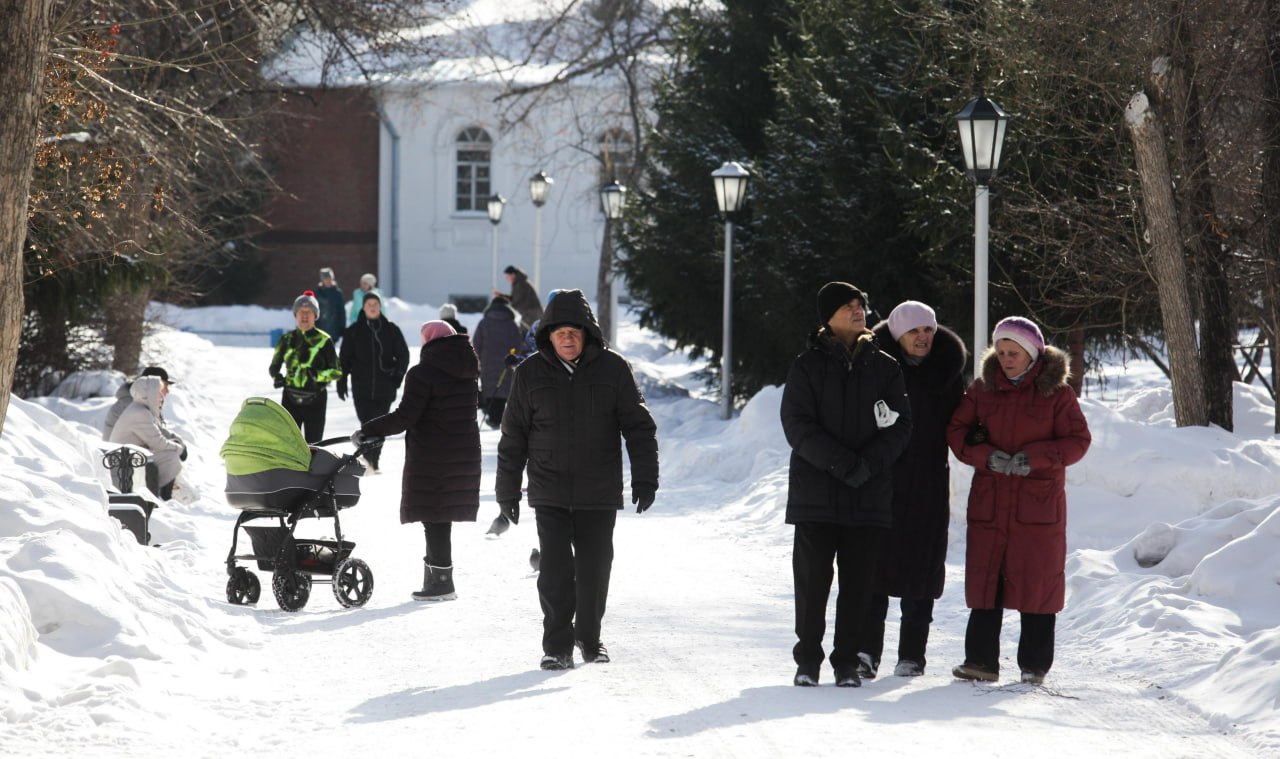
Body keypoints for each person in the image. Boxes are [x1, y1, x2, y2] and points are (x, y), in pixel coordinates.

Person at [495, 288, 658, 671]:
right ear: (548, 335)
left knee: (594, 568)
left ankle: (589, 638)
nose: (568, 338)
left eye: (575, 331)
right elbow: (513, 436)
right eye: (560, 331)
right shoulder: (530, 373)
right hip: (549, 489)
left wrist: (645, 478)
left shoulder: (613, 369)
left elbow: (638, 426)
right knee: (554, 571)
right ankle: (556, 646)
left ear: (587, 333)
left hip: (598, 490)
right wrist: (506, 492)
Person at [779, 281, 912, 688]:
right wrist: (842, 464)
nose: (859, 311)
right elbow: (797, 426)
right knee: (812, 583)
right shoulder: (806, 366)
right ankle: (808, 661)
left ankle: (846, 662)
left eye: (861, 304)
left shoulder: (886, 366)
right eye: (849, 306)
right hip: (816, 495)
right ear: (829, 316)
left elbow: (901, 425)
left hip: (867, 494)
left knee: (859, 586)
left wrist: (867, 466)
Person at [946, 316, 1091, 685]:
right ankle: (980, 661)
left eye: (1014, 352)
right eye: (1002, 351)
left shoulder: (1057, 393)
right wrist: (986, 456)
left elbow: (1078, 441)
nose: (1007, 358)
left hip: (1037, 506)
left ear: (1032, 354)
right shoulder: (983, 389)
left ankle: (1034, 665)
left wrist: (1035, 458)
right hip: (991, 502)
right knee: (986, 582)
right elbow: (957, 430)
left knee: (1038, 584)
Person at [855, 301, 966, 679]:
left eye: (928, 331)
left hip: (930, 482)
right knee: (875, 567)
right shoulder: (874, 367)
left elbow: (962, 424)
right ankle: (866, 651)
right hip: (882, 480)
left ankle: (912, 655)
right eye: (914, 331)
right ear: (898, 335)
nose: (922, 338)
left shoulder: (948, 373)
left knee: (923, 568)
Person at [354, 320, 481, 601]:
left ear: (428, 342)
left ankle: (442, 583)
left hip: (433, 453)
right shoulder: (468, 370)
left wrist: (368, 429)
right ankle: (437, 577)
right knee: (439, 516)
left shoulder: (423, 373)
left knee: (434, 515)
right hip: (462, 451)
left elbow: (405, 416)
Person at [337, 291, 410, 473]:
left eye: (375, 304)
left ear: (380, 307)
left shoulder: (391, 330)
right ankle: (369, 460)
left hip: (385, 388)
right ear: (363, 307)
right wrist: (341, 380)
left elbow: (403, 355)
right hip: (361, 388)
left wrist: (397, 377)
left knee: (380, 426)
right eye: (369, 304)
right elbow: (344, 358)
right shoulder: (354, 331)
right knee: (367, 423)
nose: (372, 307)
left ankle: (372, 461)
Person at [269, 291, 343, 444]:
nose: (304, 316)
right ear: (295, 315)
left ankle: (313, 469)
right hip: (290, 398)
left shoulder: (324, 340)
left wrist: (317, 376)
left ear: (315, 316)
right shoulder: (286, 340)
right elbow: (274, 367)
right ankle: (289, 469)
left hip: (315, 399)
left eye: (309, 312)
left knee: (314, 446)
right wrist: (277, 377)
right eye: (301, 312)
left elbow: (337, 371)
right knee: (289, 445)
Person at [107, 375, 185, 500]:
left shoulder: (139, 409)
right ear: (148, 394)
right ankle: (164, 498)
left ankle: (162, 496)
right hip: (122, 464)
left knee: (168, 454)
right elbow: (158, 443)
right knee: (170, 457)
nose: (162, 397)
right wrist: (179, 448)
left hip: (127, 457)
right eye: (159, 393)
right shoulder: (140, 413)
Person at [471, 295, 525, 429]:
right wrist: (514, 357)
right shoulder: (512, 324)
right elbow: (518, 344)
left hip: (487, 361)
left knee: (490, 387)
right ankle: (497, 417)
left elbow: (476, 343)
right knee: (503, 387)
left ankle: (493, 416)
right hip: (506, 362)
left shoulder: (484, 322)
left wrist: (479, 357)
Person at [103, 366, 177, 441]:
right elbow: (151, 433)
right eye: (165, 386)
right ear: (153, 385)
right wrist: (175, 442)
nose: (167, 391)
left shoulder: (141, 401)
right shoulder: (131, 404)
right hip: (118, 450)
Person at [493, 265, 543, 332]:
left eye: (507, 276)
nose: (506, 279)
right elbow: (515, 299)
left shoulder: (519, 284)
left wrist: (505, 304)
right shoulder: (519, 282)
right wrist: (501, 296)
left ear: (513, 275)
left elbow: (516, 302)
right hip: (530, 314)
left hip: (531, 315)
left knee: (526, 335)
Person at [315, 267, 347, 341]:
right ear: (322, 280)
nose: (328, 281)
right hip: (320, 328)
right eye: (326, 279)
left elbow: (341, 311)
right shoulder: (317, 293)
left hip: (334, 329)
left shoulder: (337, 293)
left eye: (330, 279)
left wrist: (342, 327)